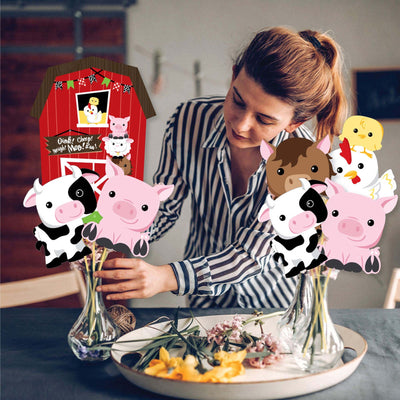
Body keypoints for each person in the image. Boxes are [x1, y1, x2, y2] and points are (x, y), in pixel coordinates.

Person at [94, 26, 348, 308]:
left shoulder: (307, 164)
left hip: (273, 303)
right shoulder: (189, 120)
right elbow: (164, 206)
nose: (241, 124)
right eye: (237, 100)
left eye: (263, 120)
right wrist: (118, 232)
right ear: (233, 75)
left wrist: (166, 277)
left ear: (294, 123)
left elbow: (251, 255)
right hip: (203, 300)